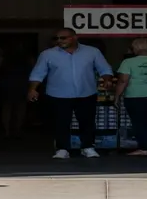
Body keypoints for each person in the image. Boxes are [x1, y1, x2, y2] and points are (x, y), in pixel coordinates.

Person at [28, 28, 113, 159]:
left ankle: (88, 147)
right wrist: (33, 89)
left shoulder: (92, 52)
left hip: (86, 92)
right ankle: (62, 149)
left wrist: (107, 79)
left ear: (74, 37)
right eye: (57, 38)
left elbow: (104, 68)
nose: (59, 41)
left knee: (87, 121)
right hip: (58, 93)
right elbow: (38, 73)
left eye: (63, 38)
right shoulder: (47, 54)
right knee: (60, 122)